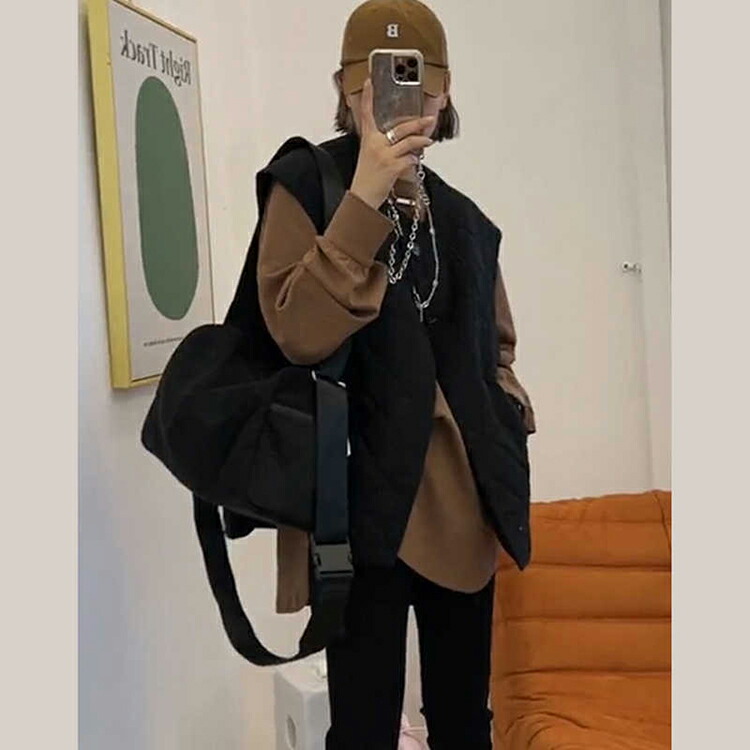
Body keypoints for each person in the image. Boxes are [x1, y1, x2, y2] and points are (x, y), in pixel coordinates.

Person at [254, 2, 536, 747]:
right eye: (373, 83)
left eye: (413, 82)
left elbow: (497, 348)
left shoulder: (465, 220)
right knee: (362, 728)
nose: (393, 101)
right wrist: (365, 198)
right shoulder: (306, 187)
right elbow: (296, 332)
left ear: (444, 94)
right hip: (353, 509)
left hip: (461, 508)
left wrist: (504, 414)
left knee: (464, 725)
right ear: (344, 91)